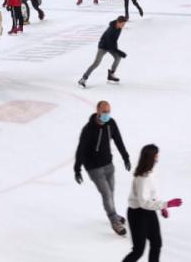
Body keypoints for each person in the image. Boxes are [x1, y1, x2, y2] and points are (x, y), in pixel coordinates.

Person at [74, 100, 132, 237]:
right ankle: (114, 221)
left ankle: (114, 213)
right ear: (98, 111)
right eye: (104, 112)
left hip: (108, 164)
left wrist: (125, 156)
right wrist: (77, 168)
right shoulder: (88, 129)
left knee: (110, 192)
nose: (107, 115)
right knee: (106, 194)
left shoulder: (111, 124)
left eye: (109, 111)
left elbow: (118, 139)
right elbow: (81, 149)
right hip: (94, 167)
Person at [122, 144, 182, 262]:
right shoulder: (142, 178)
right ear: (151, 157)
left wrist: (161, 207)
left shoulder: (150, 172)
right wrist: (166, 204)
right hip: (137, 214)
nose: (158, 157)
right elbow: (144, 203)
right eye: (156, 155)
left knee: (156, 243)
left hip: (149, 212)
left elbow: (152, 194)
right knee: (138, 250)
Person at [79, 17, 128, 88]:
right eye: (123, 24)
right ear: (118, 22)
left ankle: (111, 75)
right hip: (103, 47)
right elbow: (110, 43)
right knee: (96, 63)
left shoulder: (119, 28)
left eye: (124, 24)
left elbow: (114, 41)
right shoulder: (111, 30)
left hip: (110, 46)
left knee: (118, 57)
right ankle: (83, 79)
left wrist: (118, 51)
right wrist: (119, 51)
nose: (124, 25)